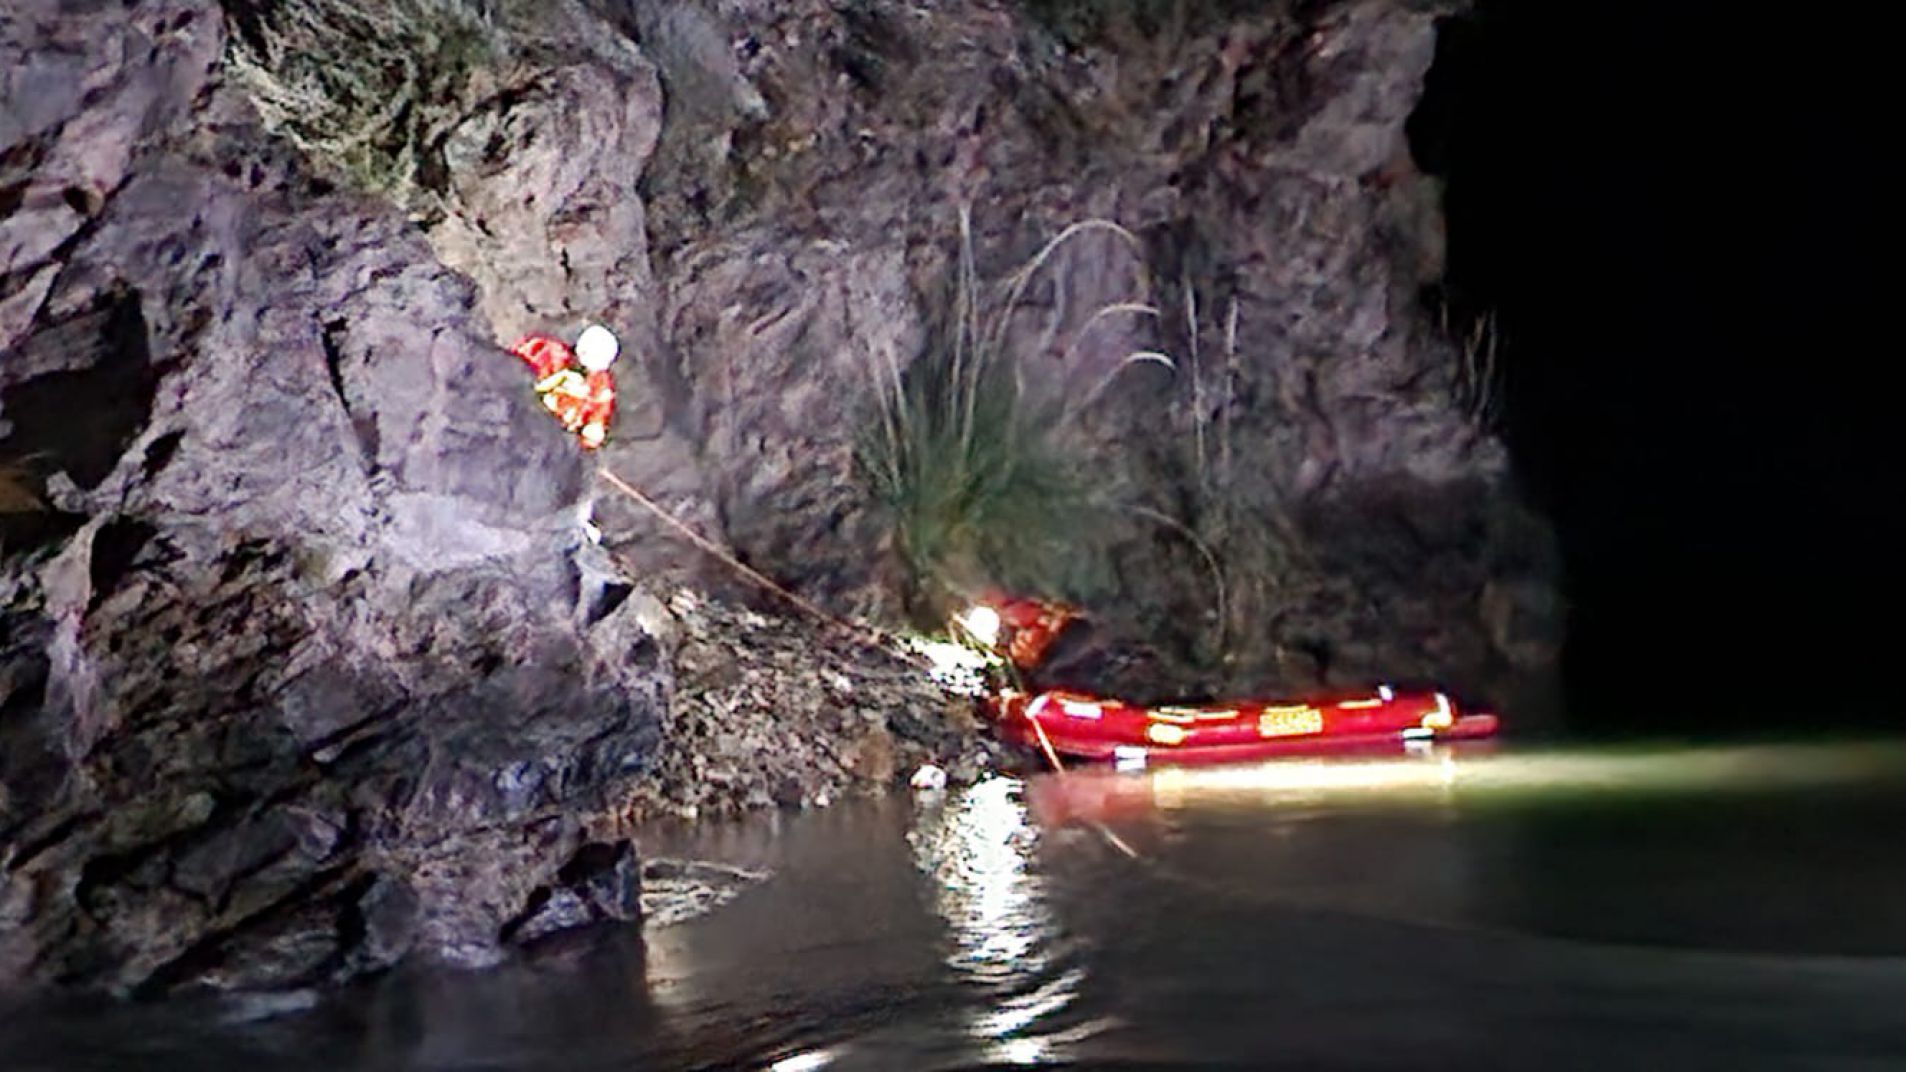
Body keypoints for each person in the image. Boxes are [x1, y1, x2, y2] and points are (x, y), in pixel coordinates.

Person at [508, 324, 619, 450]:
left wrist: (594, 430)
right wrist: (559, 380)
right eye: (584, 366)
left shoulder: (600, 383)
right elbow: (516, 376)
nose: (586, 371)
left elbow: (599, 415)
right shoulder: (547, 353)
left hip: (555, 443)